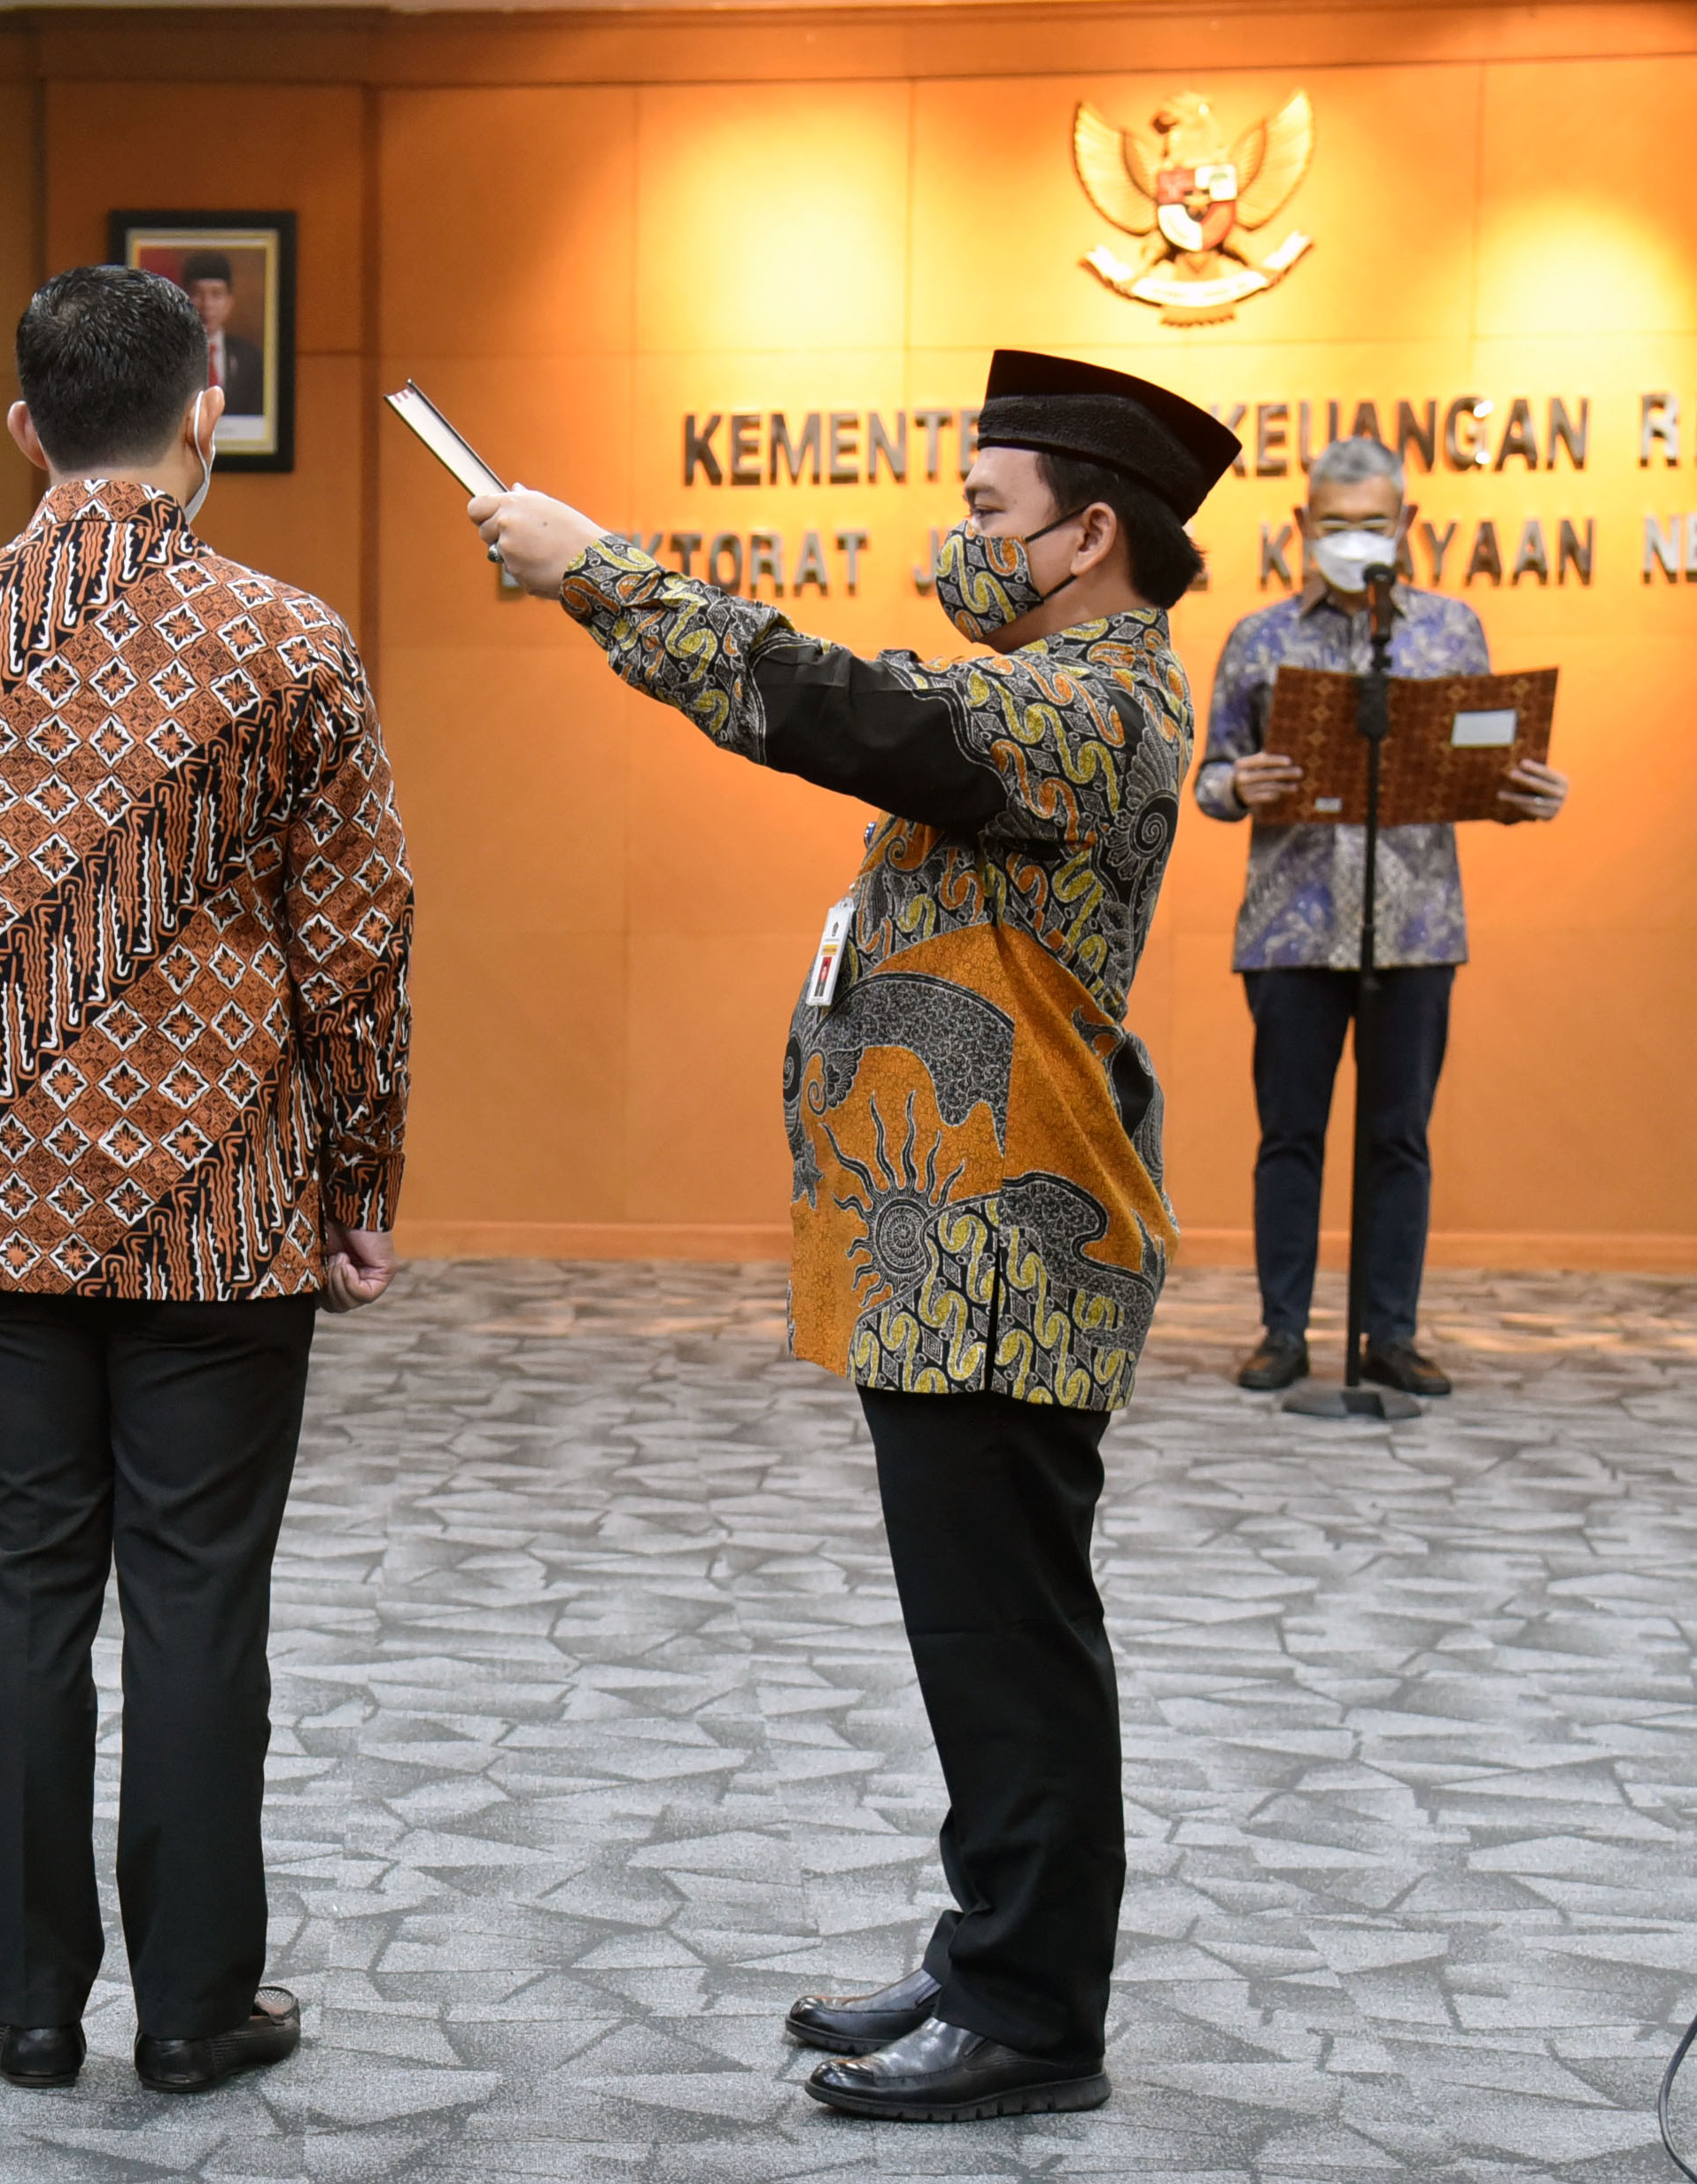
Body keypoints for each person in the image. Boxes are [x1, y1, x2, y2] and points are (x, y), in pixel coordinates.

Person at [472, 351, 1238, 2124]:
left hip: (1004, 1252)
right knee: (978, 1637)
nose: (954, 538)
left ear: (1085, 535)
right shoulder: (1056, 686)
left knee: (1007, 1642)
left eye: (983, 509)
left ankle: (1032, 2014)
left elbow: (831, 705)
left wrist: (600, 574)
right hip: (947, 1248)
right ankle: (987, 1954)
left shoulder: (1093, 705)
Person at [0, 263, 411, 2097]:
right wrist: (362, 1176)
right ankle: (189, 2006)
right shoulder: (289, 642)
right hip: (226, 1208)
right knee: (195, 1598)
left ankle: (19, 2003)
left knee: (22, 1587)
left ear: (24, 429)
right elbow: (355, 945)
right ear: (202, 417)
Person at [1194, 436, 1569, 1397]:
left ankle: (1390, 1334)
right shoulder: (1258, 639)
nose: (1354, 540)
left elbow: (1473, 771)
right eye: (1335, 523)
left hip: (1416, 924)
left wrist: (1519, 796)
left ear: (1406, 526)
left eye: (1372, 523)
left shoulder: (1450, 631)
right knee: (1290, 1134)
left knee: (1399, 1135)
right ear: (1301, 526)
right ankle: (1282, 1332)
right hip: (1289, 927)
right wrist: (1237, 783)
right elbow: (1207, 778)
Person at [176, 249, 264, 421]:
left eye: (216, 294)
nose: (207, 304)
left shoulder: (249, 358)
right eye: (198, 294)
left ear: (229, 302)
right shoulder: (170, 356)